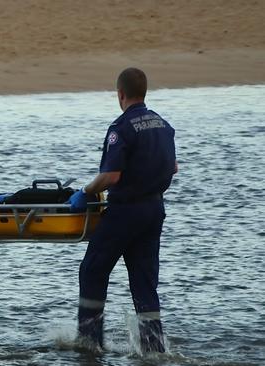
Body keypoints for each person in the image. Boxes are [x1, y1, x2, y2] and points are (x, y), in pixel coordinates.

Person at [67, 67, 177, 353]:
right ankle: (153, 348)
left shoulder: (122, 127)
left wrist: (85, 191)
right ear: (144, 92)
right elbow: (173, 167)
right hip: (154, 210)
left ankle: (89, 342)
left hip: (126, 211)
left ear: (120, 94)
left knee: (92, 270)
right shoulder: (163, 125)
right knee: (144, 282)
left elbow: (111, 176)